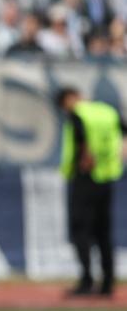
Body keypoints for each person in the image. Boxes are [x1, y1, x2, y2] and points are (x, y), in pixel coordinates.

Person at [56, 87, 125, 297]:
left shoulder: (79, 114)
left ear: (69, 99)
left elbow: (81, 138)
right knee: (103, 232)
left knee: (81, 231)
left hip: (85, 177)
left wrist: (85, 156)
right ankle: (108, 283)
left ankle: (86, 281)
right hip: (106, 176)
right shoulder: (107, 111)